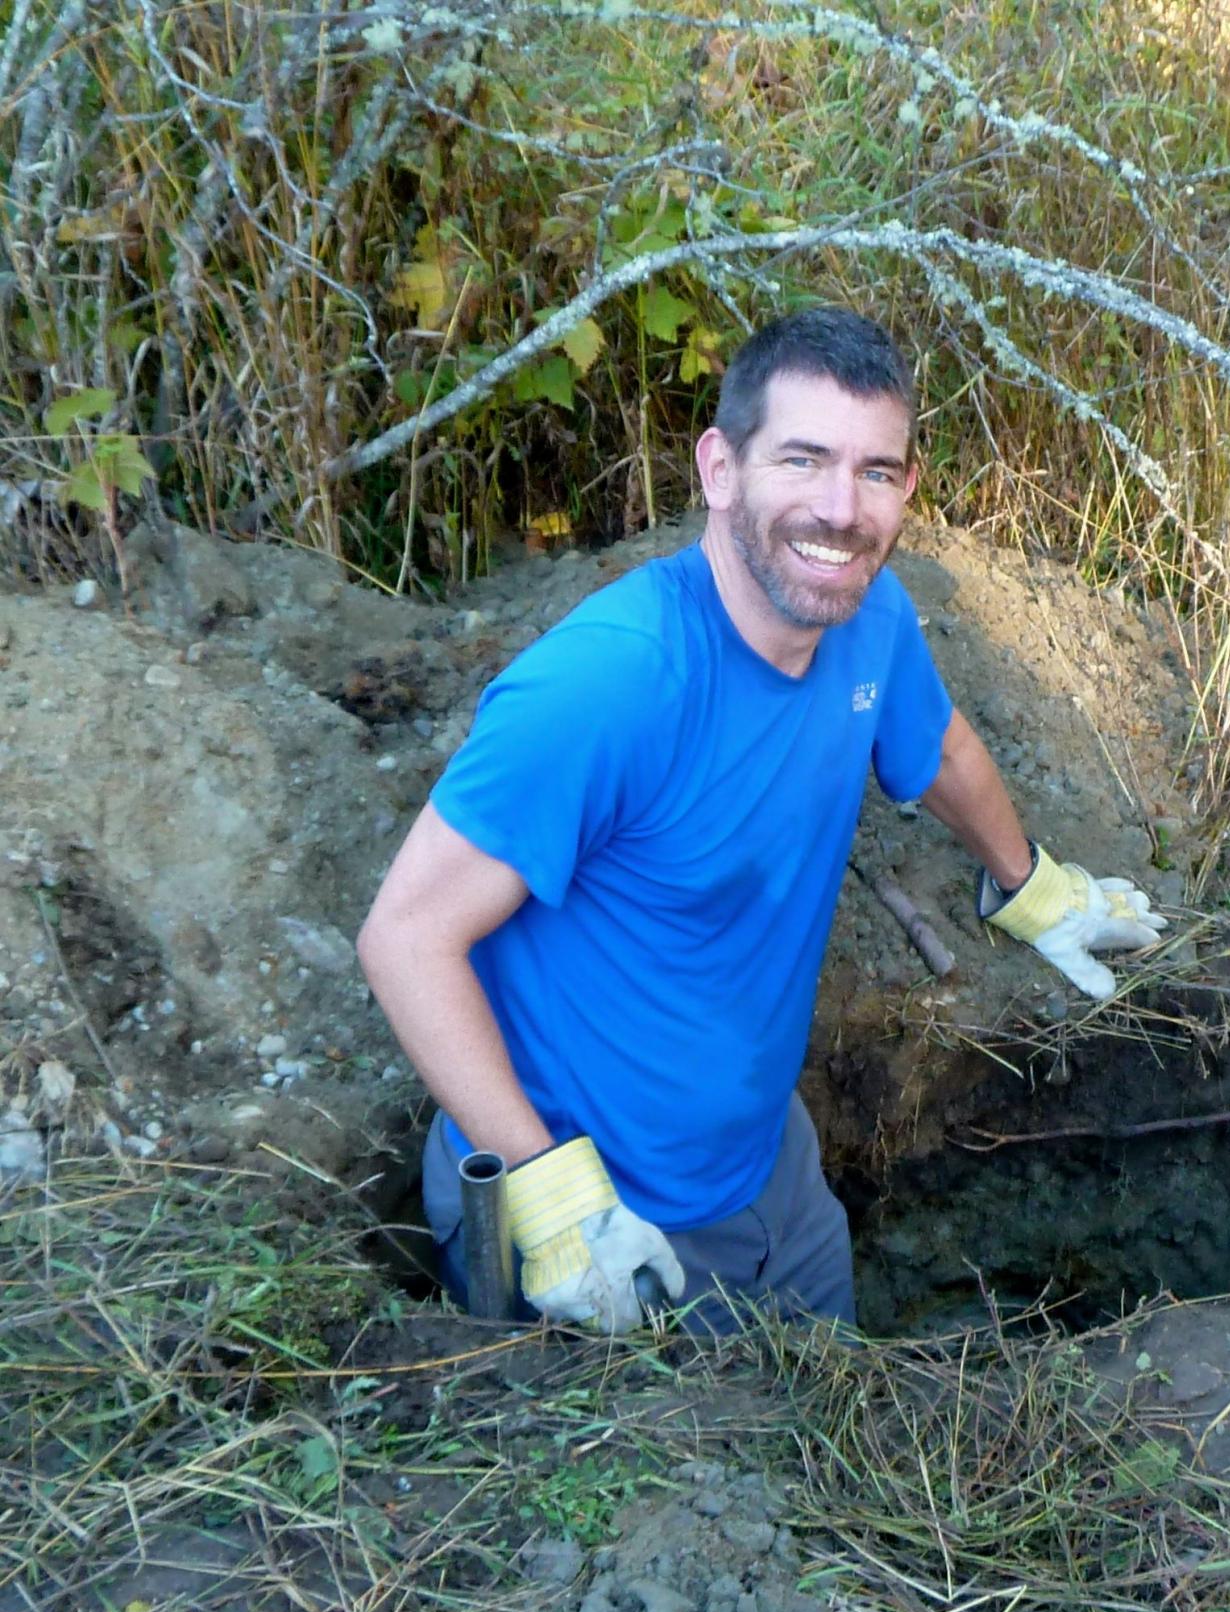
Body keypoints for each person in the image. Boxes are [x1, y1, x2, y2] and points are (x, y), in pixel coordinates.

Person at [356, 306, 1165, 1335]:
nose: (841, 509)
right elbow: (406, 935)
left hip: (771, 1175)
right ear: (721, 467)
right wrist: (556, 1204)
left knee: (843, 1417)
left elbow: (942, 749)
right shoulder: (614, 681)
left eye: (877, 470)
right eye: (804, 458)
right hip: (604, 1222)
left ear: (908, 487)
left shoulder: (870, 621)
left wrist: (1033, 886)